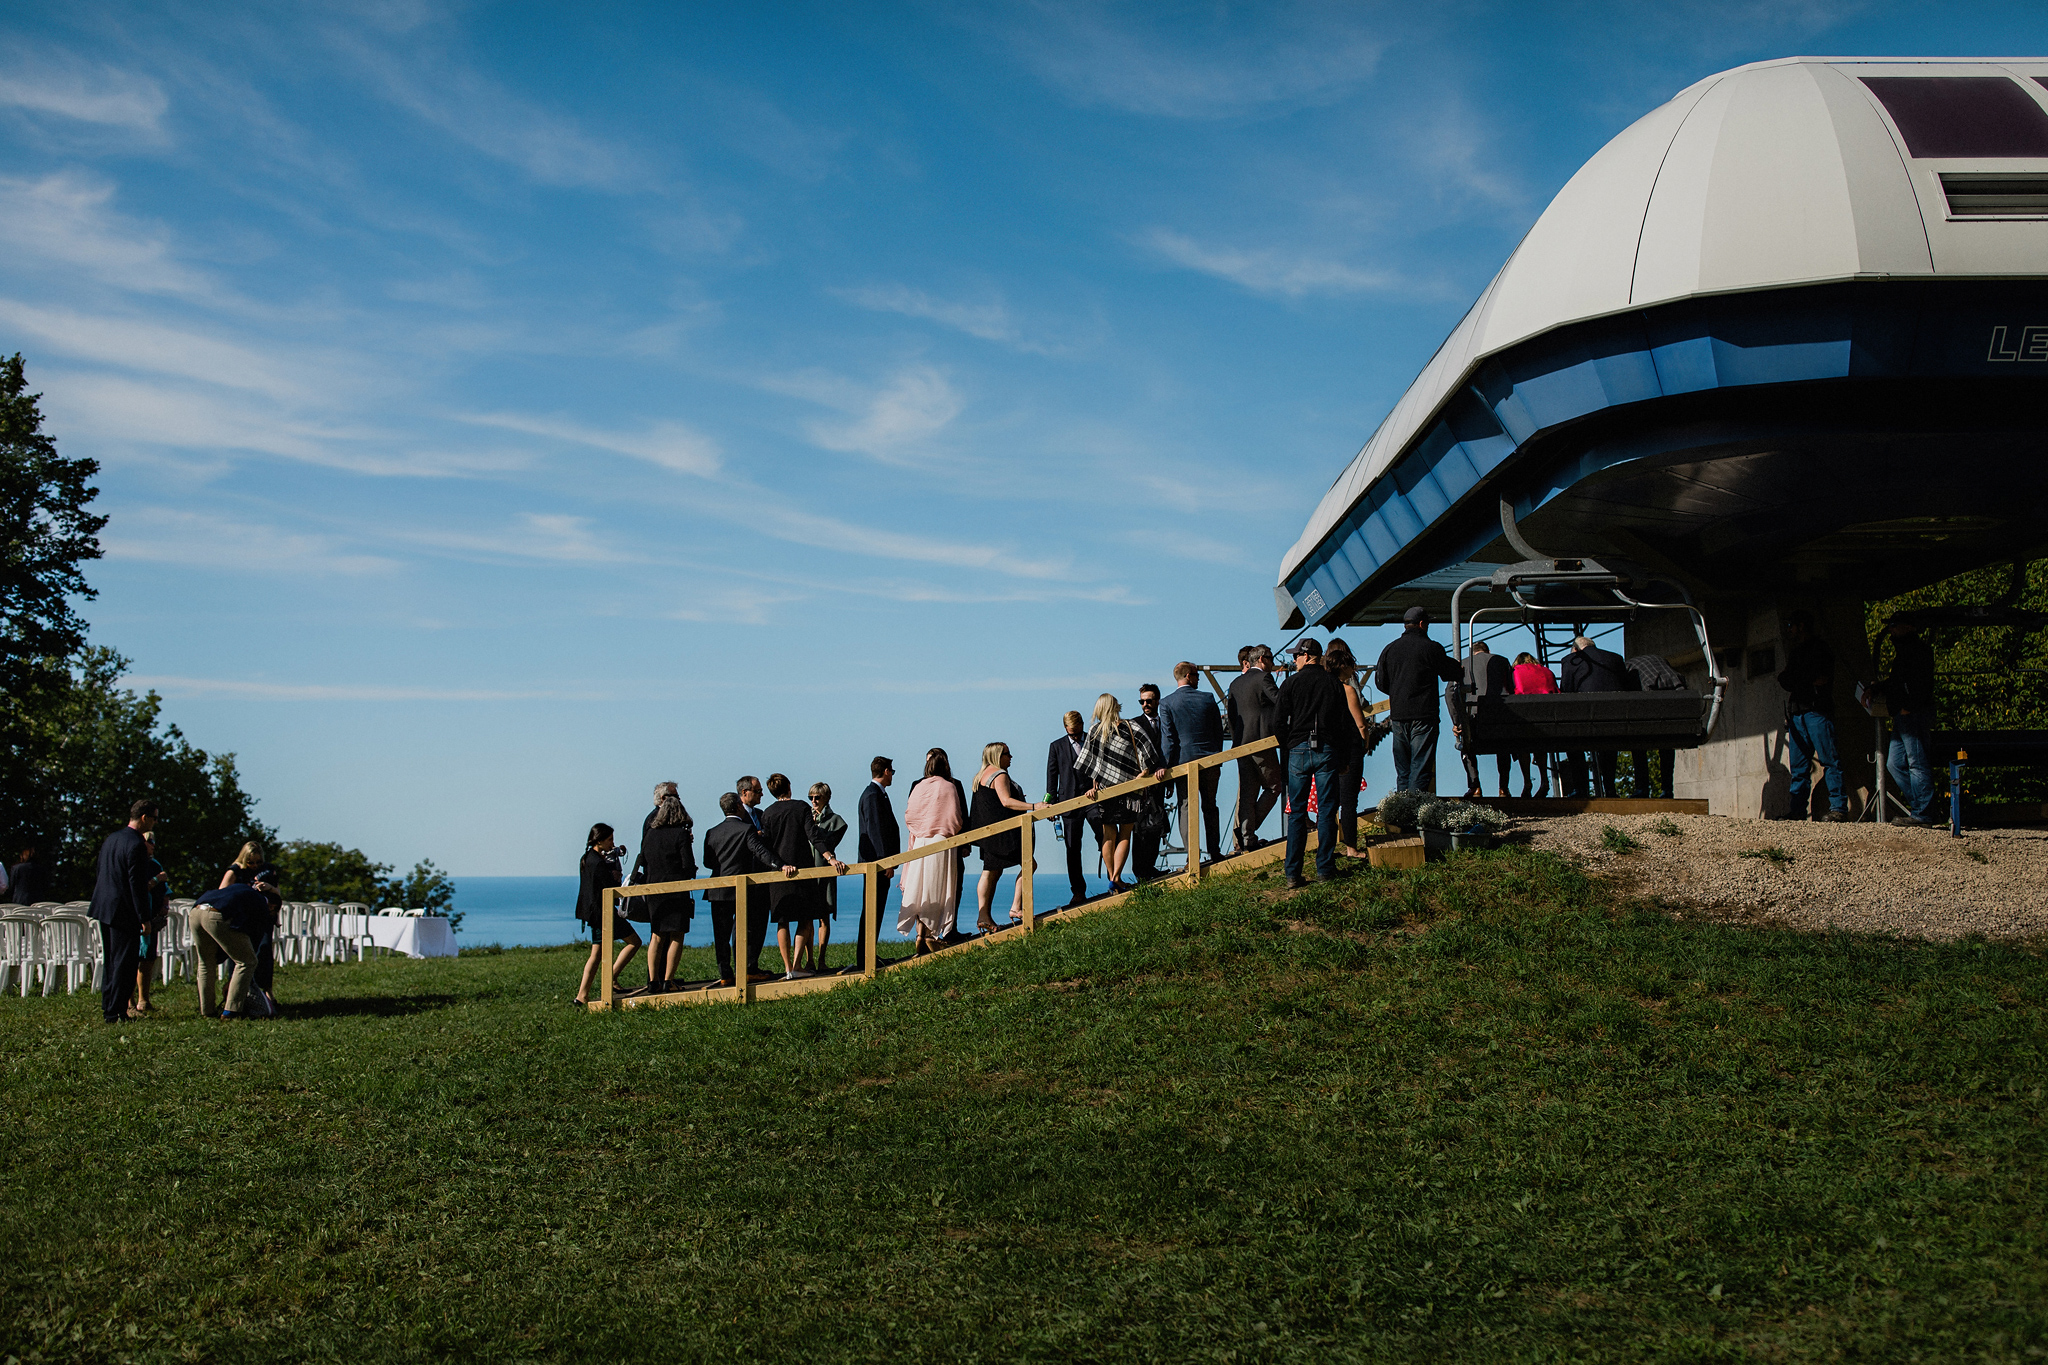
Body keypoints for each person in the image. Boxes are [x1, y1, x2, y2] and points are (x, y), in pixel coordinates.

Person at [1273, 640, 1349, 888]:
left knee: (1297, 812)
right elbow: (1342, 723)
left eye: (1296, 656)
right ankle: (1325, 868)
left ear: (1307, 656)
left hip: (1297, 749)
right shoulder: (1334, 684)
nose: (1294, 660)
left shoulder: (1290, 683)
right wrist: (1343, 758)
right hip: (1327, 748)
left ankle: (1292, 873)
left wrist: (1290, 744)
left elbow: (1278, 723)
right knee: (1327, 810)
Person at [1073, 694, 1167, 892]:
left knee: (1109, 835)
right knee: (1125, 834)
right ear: (1116, 707)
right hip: (1129, 791)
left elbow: (1092, 764)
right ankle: (1116, 878)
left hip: (1105, 791)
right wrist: (1143, 773)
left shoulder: (1094, 731)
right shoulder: (1131, 727)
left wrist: (1094, 785)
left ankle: (1113, 877)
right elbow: (1149, 753)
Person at [702, 793, 797, 987]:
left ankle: (725, 974)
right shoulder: (746, 830)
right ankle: (745, 969)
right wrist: (780, 865)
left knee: (721, 934)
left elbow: (707, 861)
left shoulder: (711, 832)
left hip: (718, 889)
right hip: (741, 889)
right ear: (738, 806)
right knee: (744, 931)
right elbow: (761, 852)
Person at [761, 773, 849, 979]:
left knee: (782, 921)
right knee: (805, 919)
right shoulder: (800, 808)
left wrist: (778, 864)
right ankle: (797, 964)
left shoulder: (767, 813)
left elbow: (765, 844)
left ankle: (786, 967)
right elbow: (814, 836)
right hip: (802, 869)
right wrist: (830, 858)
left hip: (778, 872)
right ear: (789, 787)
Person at [1375, 606, 1462, 793]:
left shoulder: (1390, 649)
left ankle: (1401, 811)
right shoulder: (1431, 648)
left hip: (1398, 715)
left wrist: (1398, 692)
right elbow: (1451, 672)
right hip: (1424, 714)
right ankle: (1414, 812)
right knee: (1420, 767)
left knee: (1403, 770)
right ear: (1422, 624)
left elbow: (1380, 682)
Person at [87, 798, 158, 1023]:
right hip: (124, 910)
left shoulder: (112, 838)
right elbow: (136, 884)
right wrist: (144, 917)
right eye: (154, 818)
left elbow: (101, 870)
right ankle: (116, 1012)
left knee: (111, 961)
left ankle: (109, 1005)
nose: (155, 823)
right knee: (125, 963)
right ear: (144, 817)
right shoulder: (136, 844)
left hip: (105, 906)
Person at [1776, 610, 1849, 821]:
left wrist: (1798, 678)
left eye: (1792, 625)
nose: (1789, 630)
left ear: (1801, 626)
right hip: (1798, 714)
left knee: (1830, 761)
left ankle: (1838, 808)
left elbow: (1819, 678)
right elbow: (1786, 679)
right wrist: (1804, 679)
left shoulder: (1821, 649)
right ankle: (1798, 810)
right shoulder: (1797, 652)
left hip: (1817, 712)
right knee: (1799, 768)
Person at [968, 743, 1045, 933]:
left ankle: (983, 915)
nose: (1011, 757)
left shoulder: (980, 777)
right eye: (1007, 754)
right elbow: (1006, 801)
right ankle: (1015, 907)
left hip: (988, 835)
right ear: (998, 756)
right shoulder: (1000, 774)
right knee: (1029, 864)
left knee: (991, 872)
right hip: (1003, 834)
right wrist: (1034, 806)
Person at [628, 785, 695, 994]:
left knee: (656, 935)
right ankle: (669, 979)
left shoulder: (650, 835)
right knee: (676, 935)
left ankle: (653, 980)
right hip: (676, 890)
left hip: (654, 890)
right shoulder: (680, 834)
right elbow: (688, 866)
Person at [1159, 662, 1225, 868]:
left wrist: (1167, 767)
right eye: (1197, 675)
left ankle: (1192, 854)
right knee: (1210, 806)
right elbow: (1218, 731)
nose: (1198, 679)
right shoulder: (1208, 698)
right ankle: (1214, 850)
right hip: (1209, 760)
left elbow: (1168, 740)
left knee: (1186, 807)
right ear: (1188, 676)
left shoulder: (1167, 703)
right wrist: (1217, 754)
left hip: (1183, 763)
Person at [1875, 617, 1939, 827]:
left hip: (1912, 714)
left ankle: (1923, 813)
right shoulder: (1903, 652)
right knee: (1894, 763)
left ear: (1909, 626)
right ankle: (1921, 807)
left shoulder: (1919, 651)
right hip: (1901, 715)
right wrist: (1876, 689)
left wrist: (1909, 705)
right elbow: (1896, 681)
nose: (1891, 630)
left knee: (1916, 762)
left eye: (1895, 625)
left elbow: (1922, 683)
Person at [901, 751, 967, 953]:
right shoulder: (949, 786)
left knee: (922, 887)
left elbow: (909, 815)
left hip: (921, 841)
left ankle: (922, 934)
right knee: (938, 887)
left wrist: (921, 830)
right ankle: (930, 935)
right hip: (942, 841)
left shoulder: (919, 787)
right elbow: (956, 817)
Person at [190, 879, 278, 1019]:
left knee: (206, 962)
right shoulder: (261, 904)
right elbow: (253, 943)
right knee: (247, 962)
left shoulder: (243, 890)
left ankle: (207, 1011)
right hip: (216, 914)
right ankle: (231, 1011)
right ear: (272, 907)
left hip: (196, 911)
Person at [1560, 635, 1635, 799]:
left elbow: (1566, 691)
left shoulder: (1570, 659)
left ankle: (1581, 788)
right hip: (1615, 719)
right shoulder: (1615, 658)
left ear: (1576, 649)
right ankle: (1609, 788)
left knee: (1571, 737)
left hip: (1585, 719)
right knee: (1609, 742)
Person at [573, 824, 641, 1006]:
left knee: (597, 953)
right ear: (600, 840)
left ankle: (584, 994)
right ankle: (602, 982)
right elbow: (609, 887)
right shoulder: (598, 863)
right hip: (604, 912)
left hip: (594, 912)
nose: (612, 843)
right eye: (610, 839)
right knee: (634, 942)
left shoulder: (587, 858)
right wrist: (617, 878)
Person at [1226, 645, 1283, 851]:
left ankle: (1247, 836)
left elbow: (1232, 716)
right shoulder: (1264, 679)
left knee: (1248, 793)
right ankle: (1245, 833)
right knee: (1275, 786)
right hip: (1262, 741)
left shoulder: (1234, 684)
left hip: (1241, 744)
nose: (1273, 662)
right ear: (1261, 659)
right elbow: (1280, 702)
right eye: (1270, 658)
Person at [1045, 711, 1103, 909]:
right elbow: (1051, 778)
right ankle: (1078, 891)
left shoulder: (1093, 740)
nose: (1076, 737)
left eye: (1078, 733)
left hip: (1094, 798)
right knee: (1072, 848)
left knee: (1104, 834)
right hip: (1068, 802)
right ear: (1065, 729)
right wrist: (1049, 804)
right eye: (1072, 735)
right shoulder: (1056, 747)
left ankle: (1114, 877)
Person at [1323, 640, 1372, 857]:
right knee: (1349, 800)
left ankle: (1327, 848)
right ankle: (1351, 846)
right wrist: (1365, 740)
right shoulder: (1348, 690)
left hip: (1328, 748)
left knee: (1329, 801)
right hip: (1349, 748)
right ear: (1344, 667)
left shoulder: (1323, 690)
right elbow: (1360, 723)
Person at [1453, 642, 1514, 797]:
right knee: (1504, 747)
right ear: (1488, 651)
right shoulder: (1502, 661)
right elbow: (1512, 688)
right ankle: (1503, 788)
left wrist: (1457, 721)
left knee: (1466, 745)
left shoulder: (1463, 664)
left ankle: (1475, 786)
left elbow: (1450, 693)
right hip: (1499, 715)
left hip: (1473, 716)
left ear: (1472, 653)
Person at [856, 756, 899, 970]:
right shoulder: (873, 796)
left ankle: (869, 954)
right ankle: (865, 958)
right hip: (876, 865)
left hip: (875, 863)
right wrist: (885, 863)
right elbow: (875, 831)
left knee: (875, 909)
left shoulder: (875, 794)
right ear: (885, 771)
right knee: (872, 909)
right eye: (892, 771)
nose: (893, 775)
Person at [1624, 652, 1686, 799]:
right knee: (1666, 746)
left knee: (1638, 744)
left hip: (1650, 692)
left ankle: (1642, 788)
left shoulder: (1627, 668)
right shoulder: (1657, 661)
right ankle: (1667, 789)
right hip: (1674, 692)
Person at [805, 782, 850, 972]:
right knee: (807, 917)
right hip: (808, 870)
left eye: (817, 797)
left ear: (826, 798)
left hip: (825, 869)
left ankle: (821, 959)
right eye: (811, 798)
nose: (814, 801)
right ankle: (809, 961)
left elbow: (827, 842)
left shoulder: (836, 821)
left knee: (824, 916)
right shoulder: (805, 818)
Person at [1128, 684, 1167, 880]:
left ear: (1157, 700)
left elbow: (1168, 749)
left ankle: (1150, 868)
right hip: (1140, 785)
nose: (1145, 704)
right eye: (1141, 701)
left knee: (1156, 825)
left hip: (1160, 782)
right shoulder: (1133, 724)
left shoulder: (1166, 722)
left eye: (1149, 701)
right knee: (1140, 828)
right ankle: (1140, 872)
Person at [1510, 652, 1557, 797]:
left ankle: (1527, 782)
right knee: (1540, 743)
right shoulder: (1546, 671)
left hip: (1524, 720)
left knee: (1523, 744)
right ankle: (1544, 780)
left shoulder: (1514, 672)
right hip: (1547, 721)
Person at [135, 829, 171, 1013]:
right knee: (135, 958)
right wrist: (156, 880)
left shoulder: (155, 864)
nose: (153, 845)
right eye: (150, 841)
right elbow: (139, 889)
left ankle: (144, 999)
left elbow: (166, 890)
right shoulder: (136, 864)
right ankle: (129, 1000)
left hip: (153, 915)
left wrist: (165, 904)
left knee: (149, 957)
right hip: (138, 916)